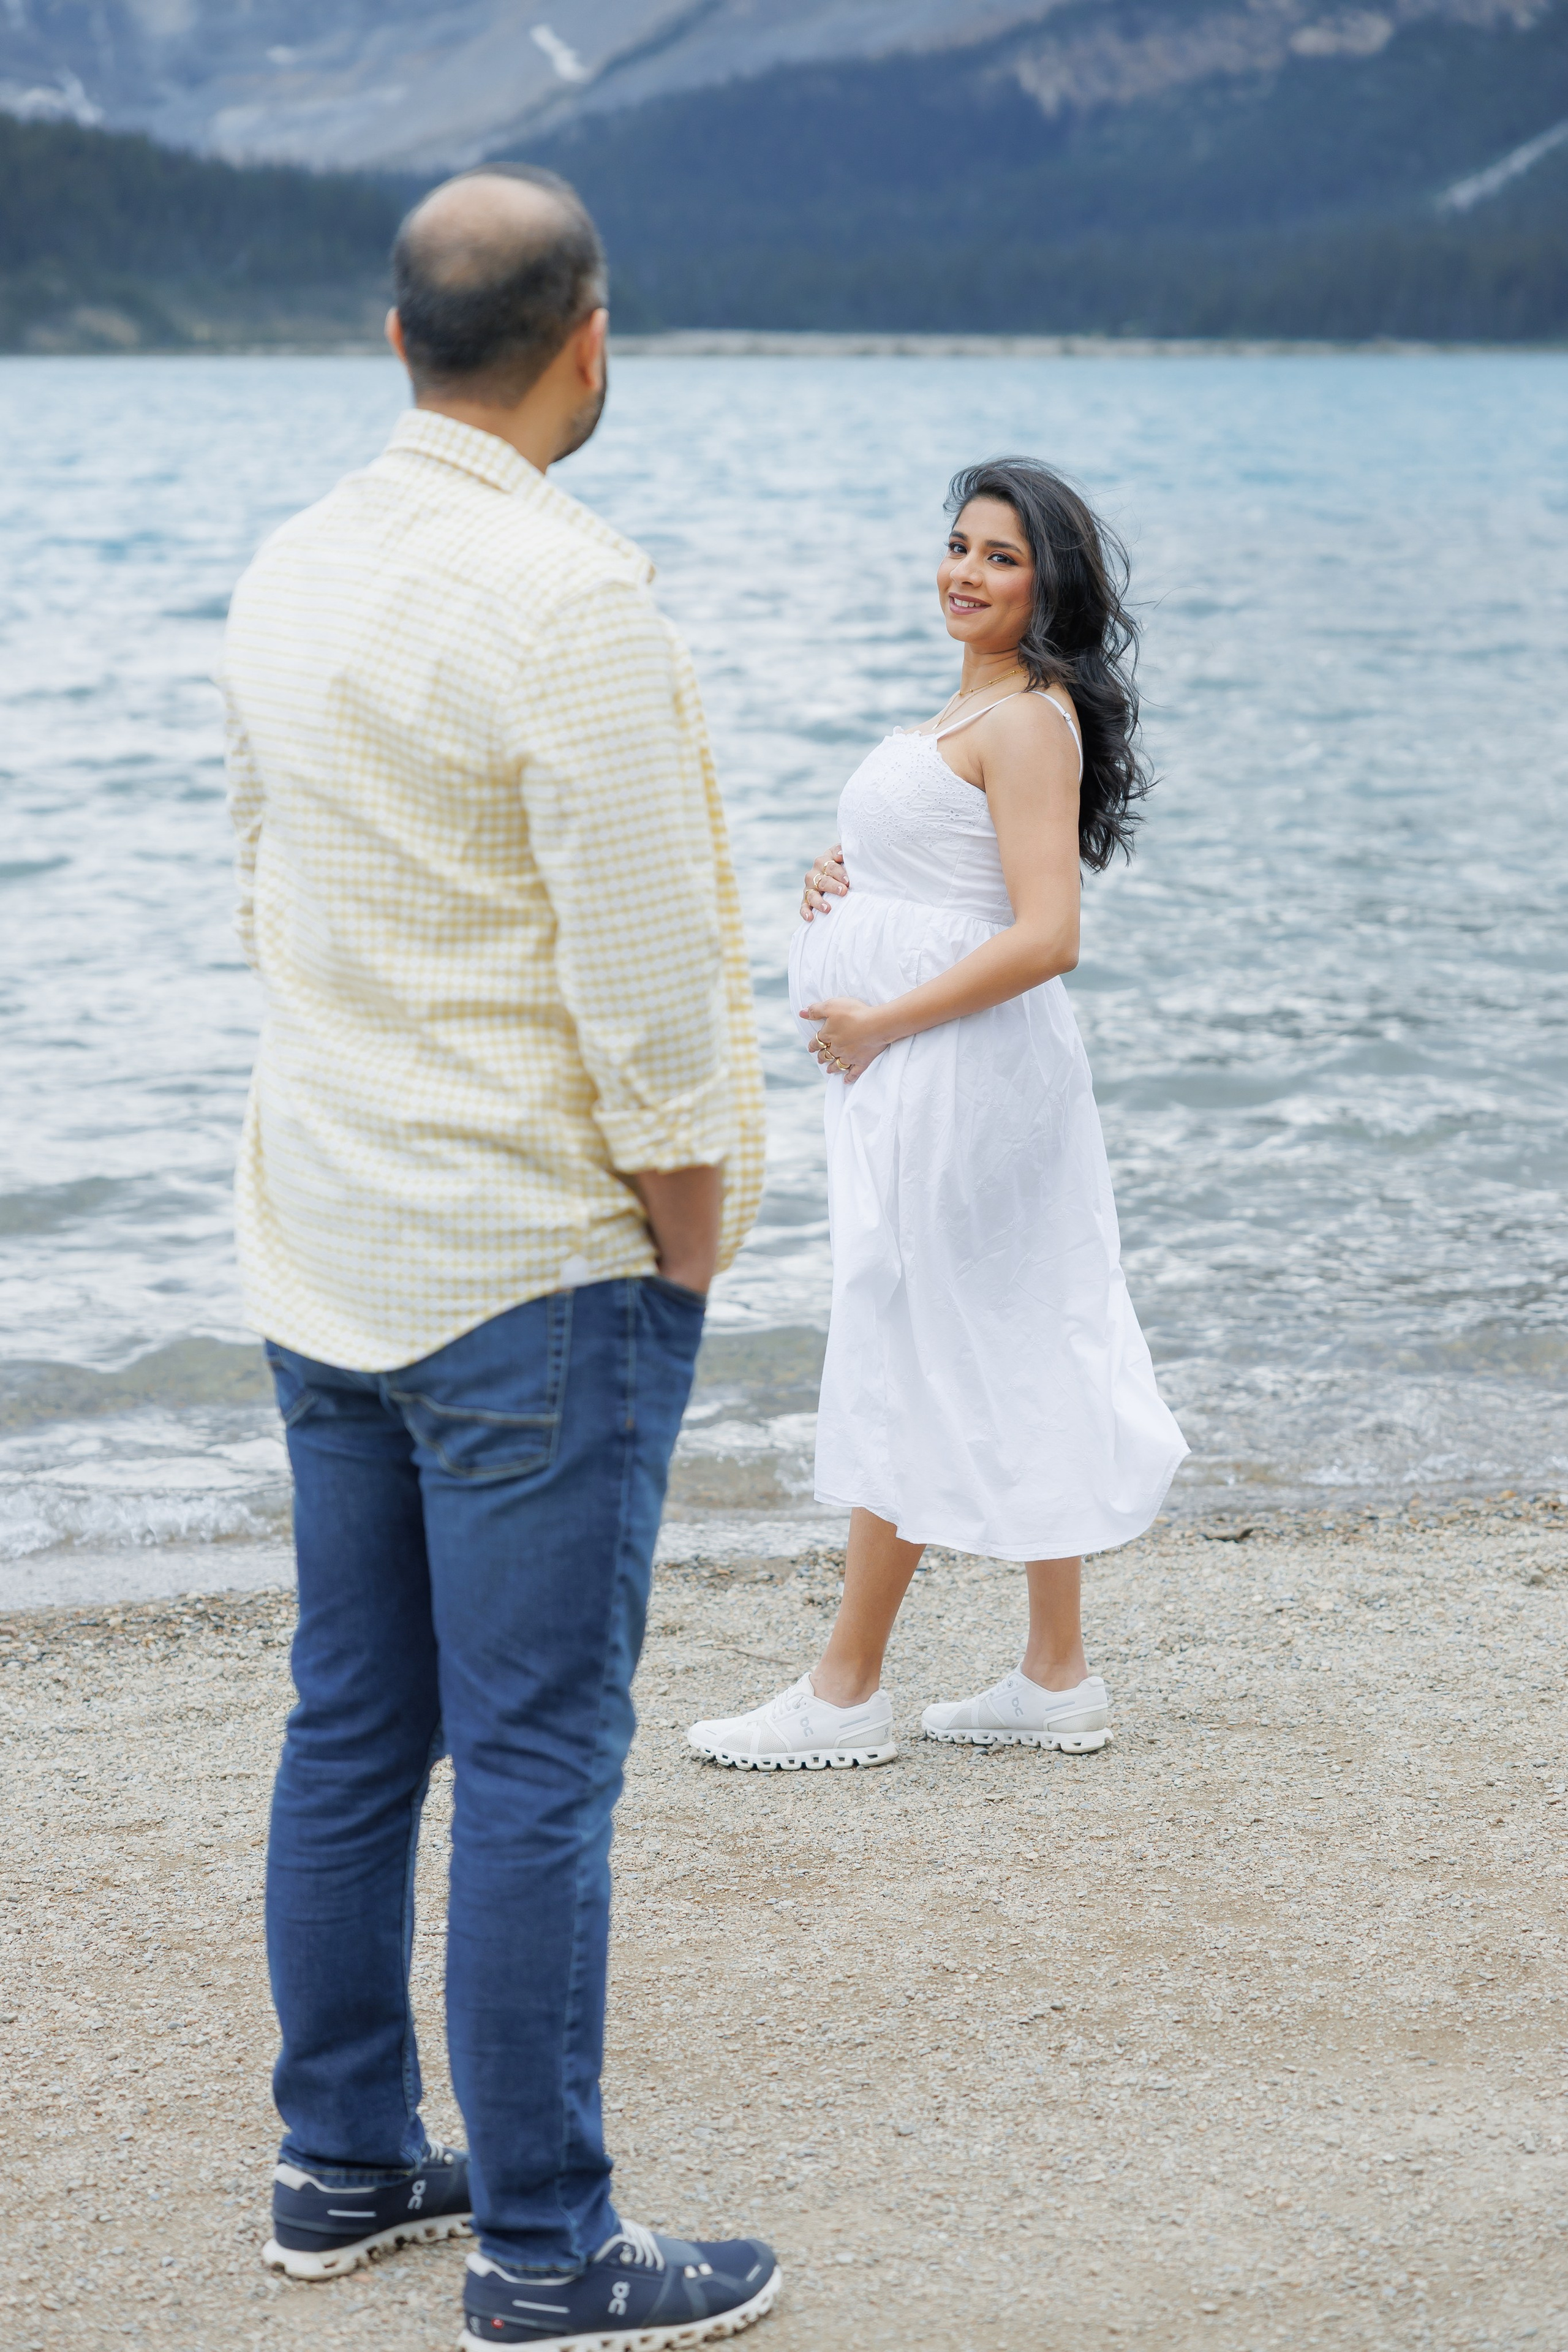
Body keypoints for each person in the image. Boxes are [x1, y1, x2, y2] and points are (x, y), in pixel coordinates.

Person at [221, 164, 780, 2350]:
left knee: (357, 1724)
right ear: (592, 338)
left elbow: (258, 893)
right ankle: (548, 2249)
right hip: (526, 1265)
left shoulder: (285, 570)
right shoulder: (574, 602)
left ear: (392, 342)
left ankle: (343, 2161)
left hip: (327, 1236)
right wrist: (692, 1250)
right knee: (539, 1754)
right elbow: (655, 998)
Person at [687, 458, 1186, 1773]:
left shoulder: (1025, 717)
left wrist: (879, 1016)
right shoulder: (980, 706)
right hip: (945, 1073)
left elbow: (1046, 935)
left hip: (961, 1076)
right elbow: (952, 879)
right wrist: (841, 888)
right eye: (957, 545)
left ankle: (843, 1694)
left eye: (1000, 557)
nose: (963, 572)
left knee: (907, 1336)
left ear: (1049, 585)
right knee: (1014, 1325)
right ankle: (1053, 1674)